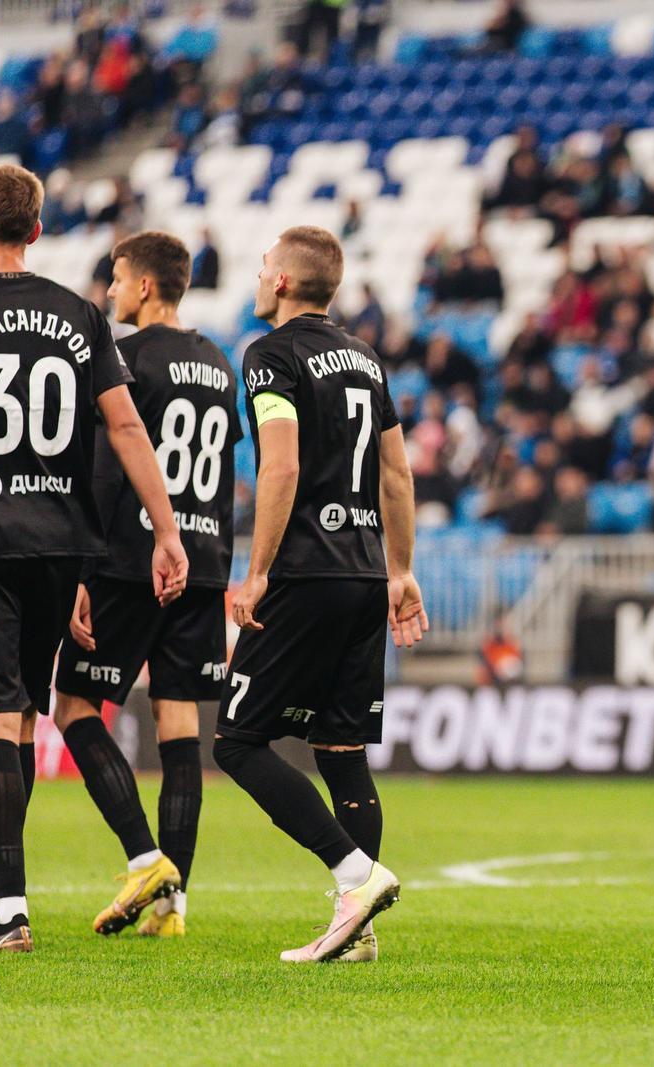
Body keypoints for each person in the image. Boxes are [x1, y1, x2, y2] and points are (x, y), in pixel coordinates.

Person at [0, 164, 188, 953]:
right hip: (58, 544)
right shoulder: (78, 311)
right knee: (13, 715)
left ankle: (8, 907)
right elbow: (125, 429)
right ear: (39, 229)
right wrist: (167, 526)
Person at [213, 226, 428, 963]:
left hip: (306, 572)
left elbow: (280, 467)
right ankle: (357, 931)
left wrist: (258, 570)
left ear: (279, 283)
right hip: (366, 571)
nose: (258, 270)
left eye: (264, 261)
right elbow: (396, 473)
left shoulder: (268, 355)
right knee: (340, 748)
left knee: (238, 741)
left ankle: (354, 875)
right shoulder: (365, 359)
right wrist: (399, 569)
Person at [49, 231, 240, 938]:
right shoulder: (220, 362)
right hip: (204, 557)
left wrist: (81, 568)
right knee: (179, 719)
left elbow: (105, 465)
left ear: (147, 288)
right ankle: (173, 906)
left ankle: (145, 857)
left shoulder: (125, 357)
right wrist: (211, 555)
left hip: (131, 556)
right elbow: (223, 472)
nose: (111, 290)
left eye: (118, 278)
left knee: (73, 705)